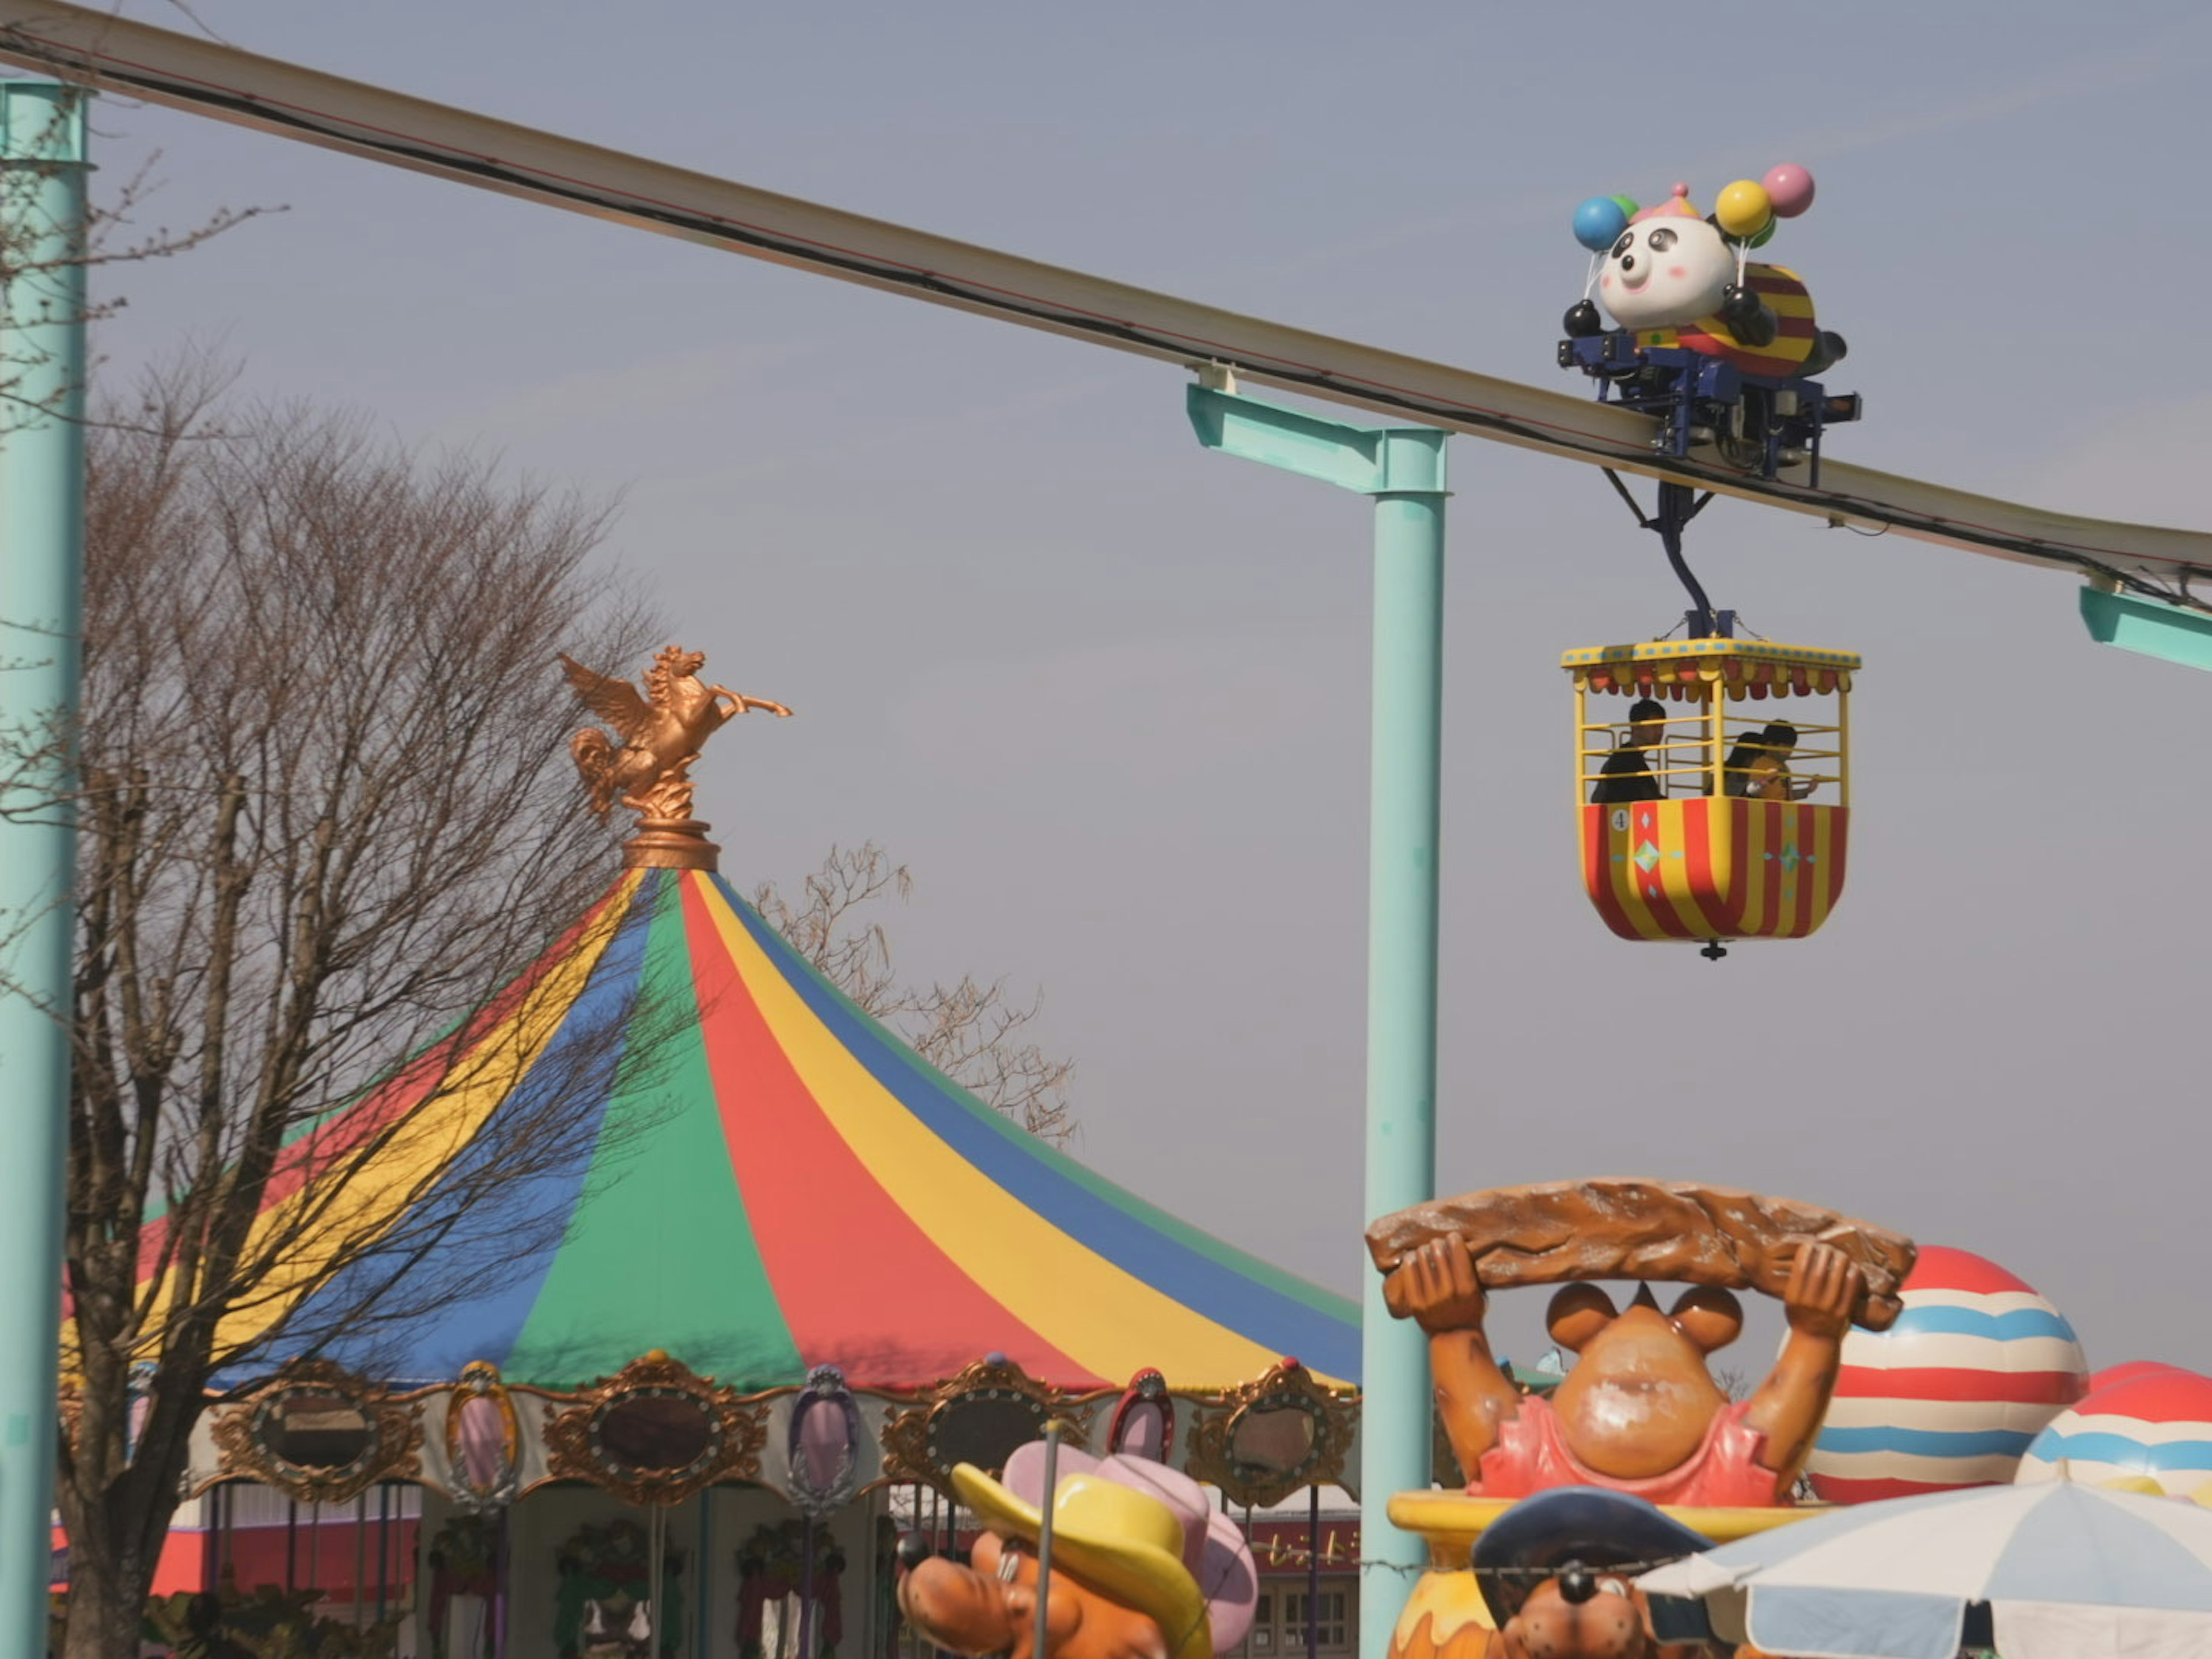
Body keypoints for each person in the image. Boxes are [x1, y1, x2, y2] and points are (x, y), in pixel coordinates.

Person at [1590, 699, 1669, 804]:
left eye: (1662, 726)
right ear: (1636, 727)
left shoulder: (1627, 757)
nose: (1660, 732)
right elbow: (1649, 799)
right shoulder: (1627, 760)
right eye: (1654, 726)